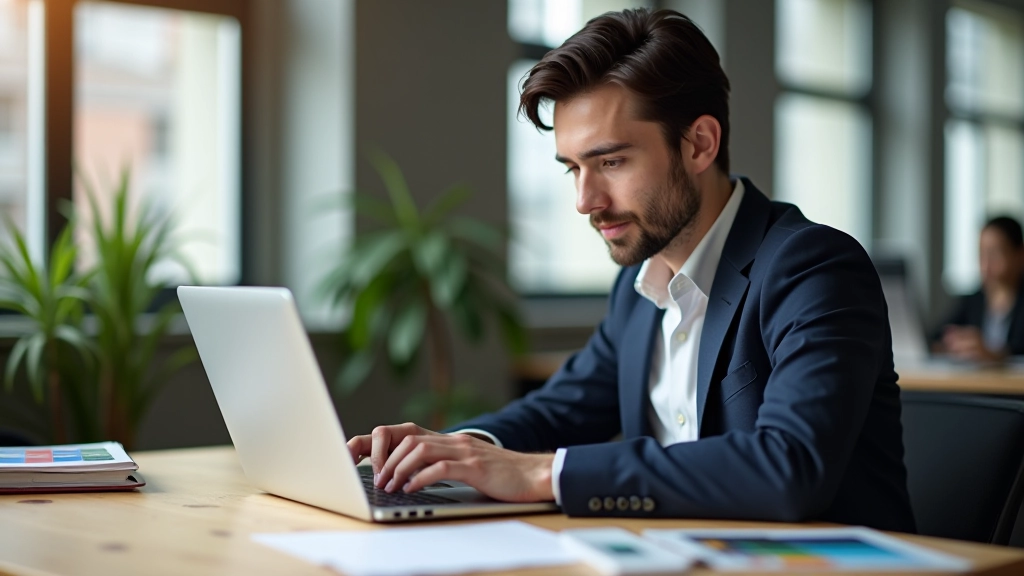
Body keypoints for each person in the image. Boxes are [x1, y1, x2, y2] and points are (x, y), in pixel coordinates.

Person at [347, 8, 916, 532]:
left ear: (699, 144)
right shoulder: (638, 287)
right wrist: (451, 450)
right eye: (573, 168)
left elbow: (790, 466)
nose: (585, 201)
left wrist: (541, 473)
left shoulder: (813, 268)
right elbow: (559, 410)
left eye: (612, 161)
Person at [933, 216, 1024, 362]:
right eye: (982, 254)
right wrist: (951, 344)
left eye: (994, 254)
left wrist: (995, 355)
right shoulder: (973, 300)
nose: (986, 264)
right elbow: (937, 336)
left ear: (1020, 254)